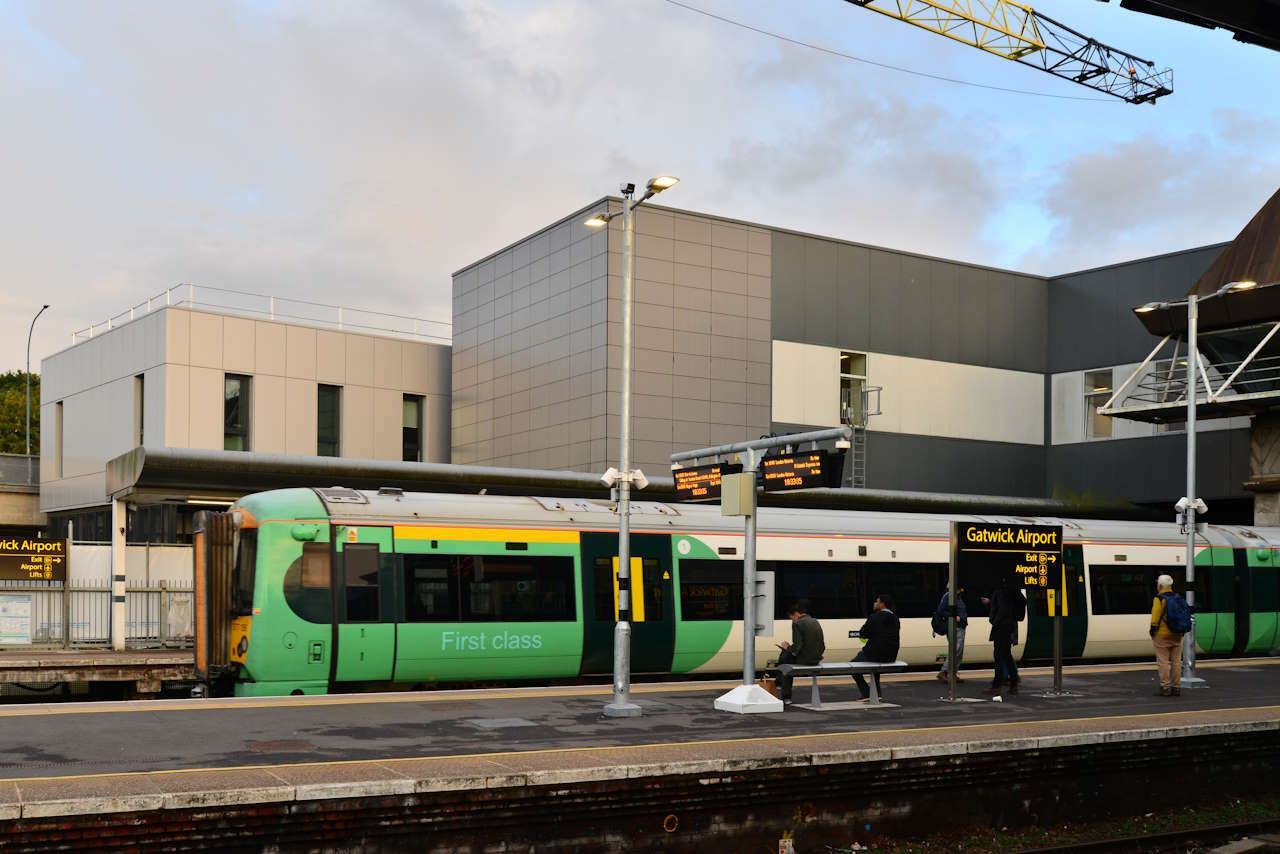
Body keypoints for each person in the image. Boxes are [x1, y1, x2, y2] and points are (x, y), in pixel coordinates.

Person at [852, 594, 900, 701]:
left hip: (874, 654)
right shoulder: (895, 618)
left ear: (882, 604)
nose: (875, 603)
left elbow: (863, 633)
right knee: (874, 668)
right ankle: (877, 693)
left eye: (877, 601)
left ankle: (867, 693)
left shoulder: (874, 617)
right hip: (891, 656)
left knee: (853, 667)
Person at [775, 601, 825, 702]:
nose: (792, 620)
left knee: (785, 662)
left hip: (805, 660)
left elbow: (797, 646)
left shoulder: (797, 624)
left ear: (796, 614)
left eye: (791, 618)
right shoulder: (815, 621)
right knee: (786, 656)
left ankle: (785, 694)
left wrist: (787, 648)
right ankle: (779, 682)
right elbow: (822, 645)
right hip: (816, 659)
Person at [984, 580, 1025, 695]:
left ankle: (997, 685)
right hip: (1009, 625)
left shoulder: (1001, 590)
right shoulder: (1011, 588)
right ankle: (1013, 683)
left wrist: (994, 621)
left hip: (1001, 626)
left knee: (998, 655)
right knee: (1006, 654)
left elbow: (1002, 609)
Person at [1151, 574, 1183, 697]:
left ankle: (1165, 687)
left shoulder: (1159, 598)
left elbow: (1155, 619)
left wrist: (1152, 631)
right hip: (1177, 634)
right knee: (1176, 662)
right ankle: (1176, 687)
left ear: (1160, 586)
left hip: (1162, 635)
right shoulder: (1178, 597)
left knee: (1163, 661)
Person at [934, 585, 968, 682]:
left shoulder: (957, 597)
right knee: (955, 650)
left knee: (959, 652)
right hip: (955, 626)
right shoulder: (948, 596)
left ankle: (952, 674)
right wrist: (954, 616)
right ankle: (944, 672)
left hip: (960, 626)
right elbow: (940, 611)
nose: (961, 589)